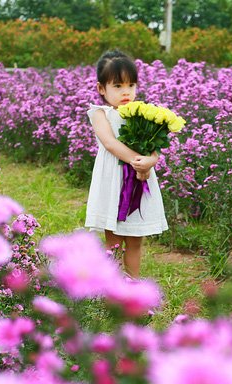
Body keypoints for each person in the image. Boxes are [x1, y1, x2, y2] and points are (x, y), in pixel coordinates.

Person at [85, 50, 168, 278]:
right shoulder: (100, 113)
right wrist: (136, 161)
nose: (126, 92)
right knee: (113, 242)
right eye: (118, 86)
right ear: (102, 89)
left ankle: (133, 288)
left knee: (134, 239)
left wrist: (149, 162)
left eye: (131, 85)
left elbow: (153, 147)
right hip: (113, 181)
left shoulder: (141, 113)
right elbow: (110, 143)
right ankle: (108, 287)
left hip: (140, 182)